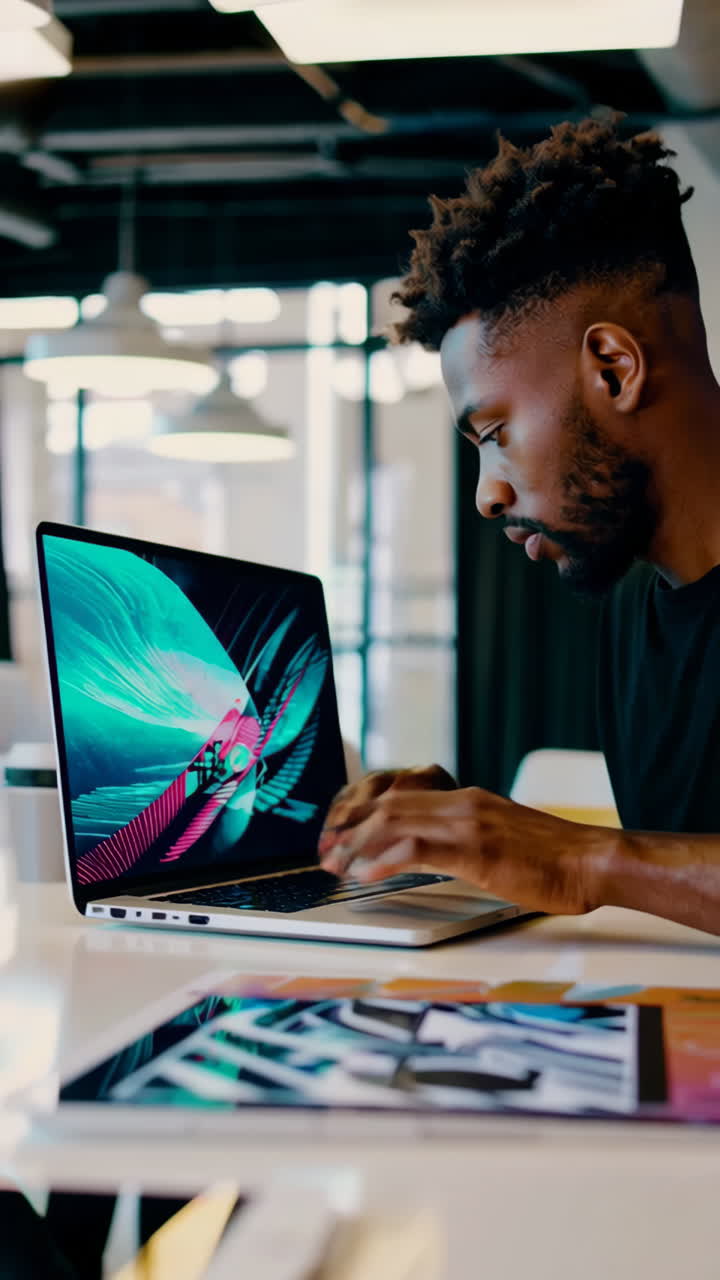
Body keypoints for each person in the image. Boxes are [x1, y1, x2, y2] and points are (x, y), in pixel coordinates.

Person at [318, 114, 720, 937]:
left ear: (613, 368)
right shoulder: (633, 619)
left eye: (494, 435)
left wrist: (583, 858)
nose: (486, 497)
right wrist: (483, 831)